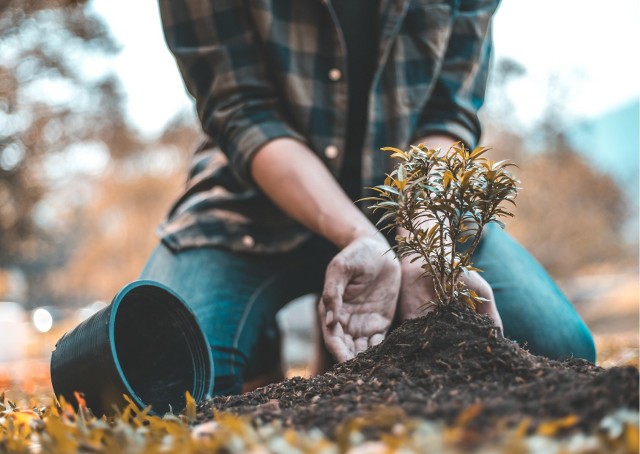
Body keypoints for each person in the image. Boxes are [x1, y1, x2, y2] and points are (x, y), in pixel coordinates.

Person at [142, 0, 596, 396]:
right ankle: (259, 344)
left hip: (416, 203)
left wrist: (426, 242)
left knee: (557, 347)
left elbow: (449, 115)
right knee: (162, 375)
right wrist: (359, 233)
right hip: (252, 201)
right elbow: (243, 112)